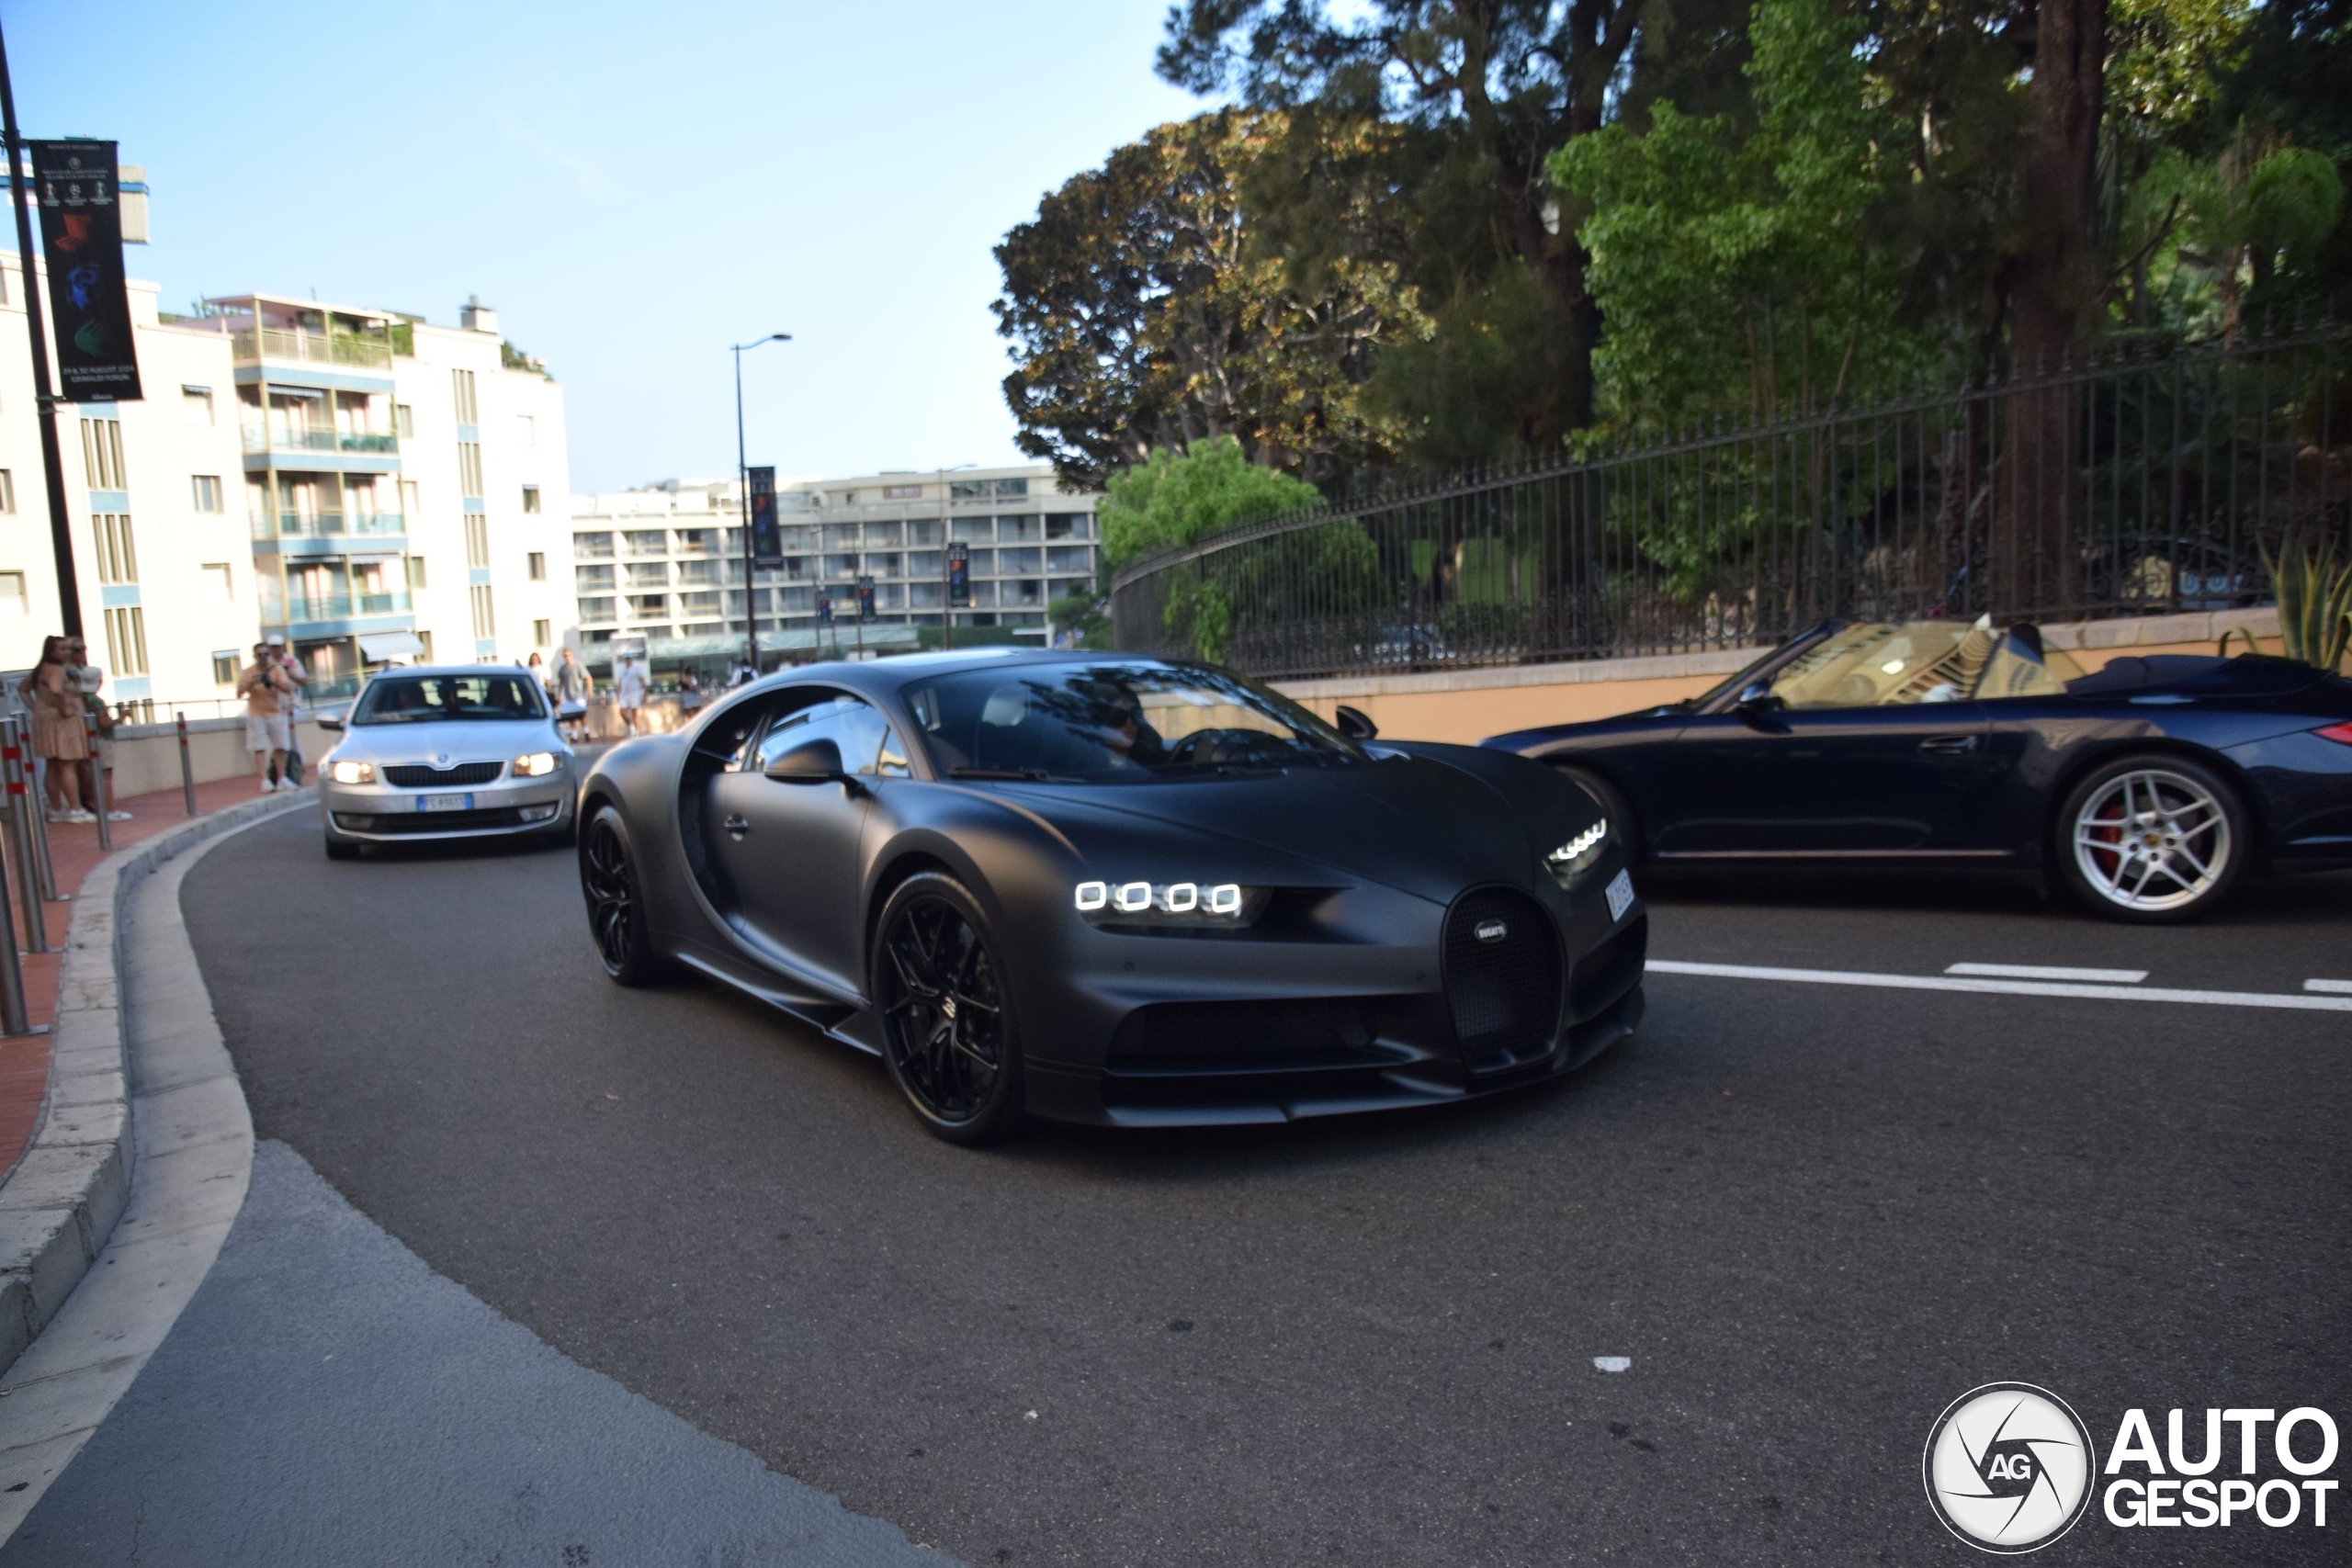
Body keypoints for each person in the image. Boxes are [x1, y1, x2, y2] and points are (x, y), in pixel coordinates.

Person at [17, 635, 91, 822]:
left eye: (68, 649)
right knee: (67, 764)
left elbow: (22, 688)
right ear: (51, 651)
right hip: (61, 721)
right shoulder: (56, 669)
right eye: (62, 649)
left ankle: (56, 808)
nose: (67, 652)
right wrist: (63, 706)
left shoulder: (41, 668)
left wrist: (36, 708)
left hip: (45, 718)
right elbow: (55, 689)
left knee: (52, 764)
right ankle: (75, 809)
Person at [67, 641, 132, 822]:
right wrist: (121, 717)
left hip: (89, 739)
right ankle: (110, 809)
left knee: (93, 773)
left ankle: (97, 806)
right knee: (106, 776)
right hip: (103, 740)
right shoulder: (96, 701)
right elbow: (103, 723)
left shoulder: (81, 699)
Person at [237, 640, 296, 792]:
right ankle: (264, 780)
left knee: (281, 746)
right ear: (255, 656)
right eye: (260, 655)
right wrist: (252, 682)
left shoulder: (277, 670)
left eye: (266, 654)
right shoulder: (248, 672)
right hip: (257, 714)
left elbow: (288, 688)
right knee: (259, 748)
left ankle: (282, 778)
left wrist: (272, 682)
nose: (263, 657)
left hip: (276, 712)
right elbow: (239, 692)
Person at [551, 647, 593, 742]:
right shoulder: (563, 669)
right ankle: (574, 735)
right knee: (571, 716)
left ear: (572, 655)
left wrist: (589, 690)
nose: (567, 657)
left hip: (578, 695)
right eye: (565, 656)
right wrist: (559, 695)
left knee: (581, 715)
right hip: (568, 695)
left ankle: (586, 731)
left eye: (569, 655)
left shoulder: (578, 666)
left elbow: (588, 677)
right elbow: (561, 682)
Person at [614, 655, 648, 736]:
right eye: (626, 659)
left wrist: (645, 694)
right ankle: (631, 725)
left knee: (634, 714)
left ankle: (637, 732)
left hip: (635, 693)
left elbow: (642, 681)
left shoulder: (637, 669)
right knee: (622, 712)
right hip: (624, 694)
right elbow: (620, 683)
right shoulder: (622, 670)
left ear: (631, 659)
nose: (627, 660)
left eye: (628, 659)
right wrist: (618, 693)